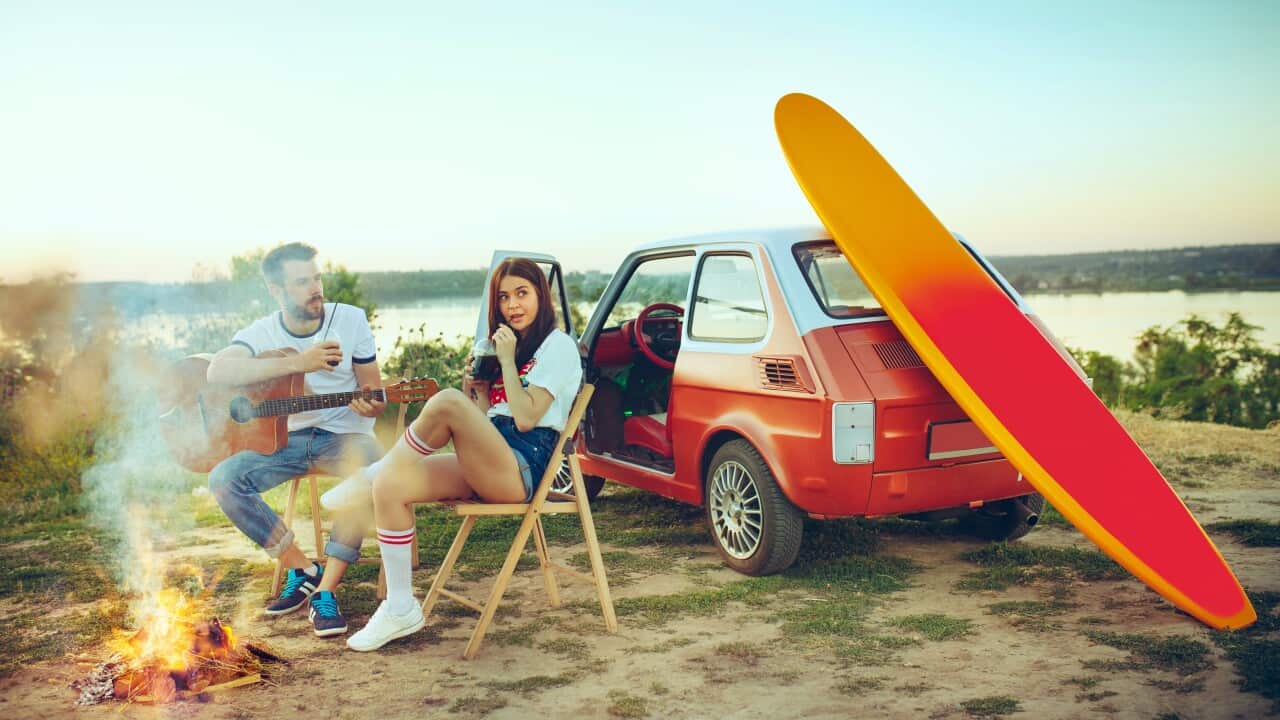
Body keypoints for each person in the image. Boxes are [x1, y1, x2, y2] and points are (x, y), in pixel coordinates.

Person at [344, 257, 582, 652]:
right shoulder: (516, 346)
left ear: (542, 295)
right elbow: (497, 417)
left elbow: (525, 419)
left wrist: (504, 363)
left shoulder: (558, 348)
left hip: (523, 467)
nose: (513, 305)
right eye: (504, 297)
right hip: (496, 456)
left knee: (447, 402)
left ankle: (375, 469)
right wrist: (482, 390)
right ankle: (400, 606)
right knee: (392, 485)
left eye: (522, 293)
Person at [206, 242, 385, 638]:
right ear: (277, 291)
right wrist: (298, 363)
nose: (315, 288)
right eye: (303, 282)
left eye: (317, 278)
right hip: (283, 439)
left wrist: (370, 405)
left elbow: (375, 393)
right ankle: (301, 567)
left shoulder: (351, 321)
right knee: (223, 479)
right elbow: (217, 372)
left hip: (345, 435)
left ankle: (325, 591)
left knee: (373, 469)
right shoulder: (262, 331)